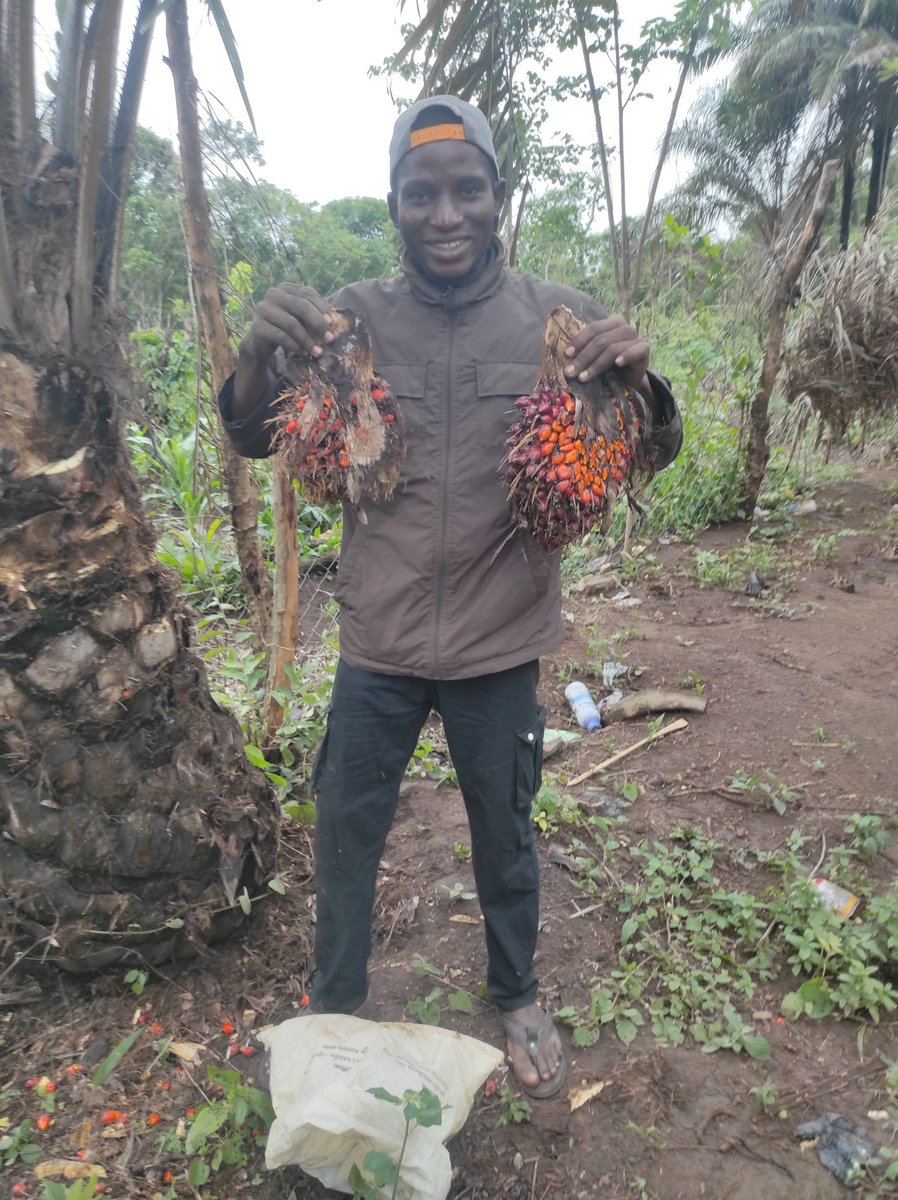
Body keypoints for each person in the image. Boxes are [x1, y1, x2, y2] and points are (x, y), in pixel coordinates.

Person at [219, 95, 682, 1099]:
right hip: (377, 640)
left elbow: (645, 449)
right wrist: (259, 352)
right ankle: (333, 1005)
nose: (445, 214)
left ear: (496, 196)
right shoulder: (351, 321)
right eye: (420, 194)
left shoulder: (556, 323)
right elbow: (257, 436)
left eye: (466, 190)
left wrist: (641, 386)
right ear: (392, 203)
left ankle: (515, 989)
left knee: (504, 831)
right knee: (345, 829)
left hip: (499, 641)